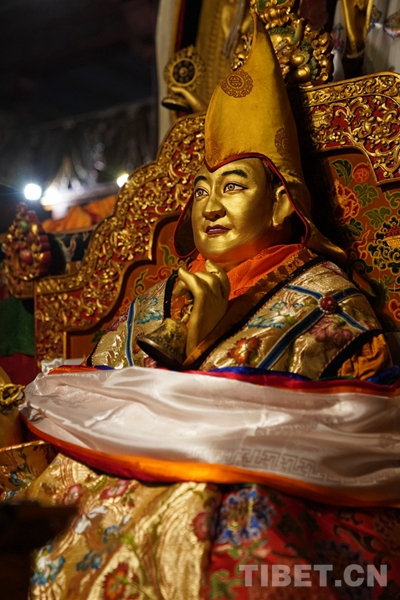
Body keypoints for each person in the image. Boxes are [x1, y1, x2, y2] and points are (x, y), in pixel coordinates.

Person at [1, 12, 400, 600]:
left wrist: (206, 354)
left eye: (234, 186)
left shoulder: (329, 303)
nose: (209, 206)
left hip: (252, 489)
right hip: (106, 483)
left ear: (281, 204)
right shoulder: (159, 294)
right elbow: (94, 398)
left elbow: (342, 431)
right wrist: (182, 345)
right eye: (201, 190)